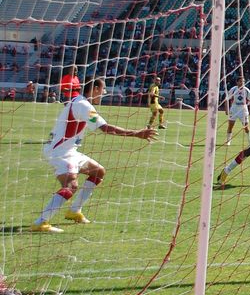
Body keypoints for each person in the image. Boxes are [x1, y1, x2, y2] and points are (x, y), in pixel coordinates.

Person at [31, 78, 157, 233]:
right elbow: (105, 128)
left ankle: (74, 211)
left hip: (69, 150)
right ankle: (41, 222)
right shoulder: (83, 105)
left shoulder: (80, 102)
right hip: (60, 152)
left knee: (98, 172)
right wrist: (136, 133)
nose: (104, 94)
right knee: (71, 185)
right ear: (95, 88)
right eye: (103, 90)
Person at [223, 76, 250, 146]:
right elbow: (227, 99)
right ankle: (228, 141)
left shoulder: (246, 90)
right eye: (240, 81)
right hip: (234, 108)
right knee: (230, 125)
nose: (242, 83)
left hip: (243, 108)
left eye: (243, 81)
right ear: (237, 82)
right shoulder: (233, 89)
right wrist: (226, 109)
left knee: (246, 126)